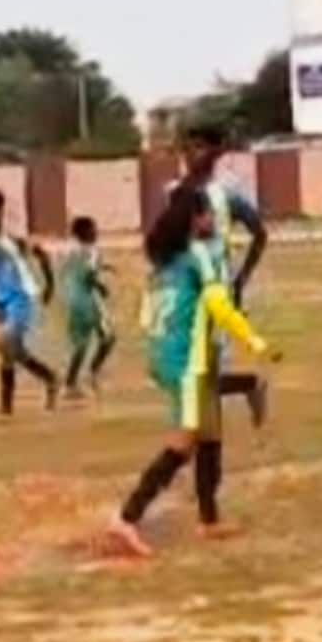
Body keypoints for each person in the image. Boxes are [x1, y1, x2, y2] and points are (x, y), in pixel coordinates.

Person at [108, 186, 281, 558]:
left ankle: (209, 518)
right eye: (207, 214)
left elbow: (147, 316)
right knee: (184, 442)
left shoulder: (161, 265)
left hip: (168, 355)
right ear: (196, 219)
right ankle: (127, 518)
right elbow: (220, 306)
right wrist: (257, 342)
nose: (212, 220)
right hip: (187, 360)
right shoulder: (197, 256)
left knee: (209, 432)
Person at [177, 124, 271, 428]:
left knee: (205, 369)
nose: (191, 154)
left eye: (199, 147)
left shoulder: (227, 192)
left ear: (216, 152)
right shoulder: (178, 192)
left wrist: (242, 277)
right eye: (187, 147)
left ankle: (209, 429)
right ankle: (249, 385)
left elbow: (259, 232)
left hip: (215, 288)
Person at [0, 189, 59, 417]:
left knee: (5, 344)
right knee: (12, 352)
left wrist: (49, 288)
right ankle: (49, 379)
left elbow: (42, 255)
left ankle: (6, 409)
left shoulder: (13, 241)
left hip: (21, 298)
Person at [59, 216, 116, 399]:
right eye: (94, 229)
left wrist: (104, 267)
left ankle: (70, 383)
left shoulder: (69, 251)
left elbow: (67, 272)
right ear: (87, 232)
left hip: (70, 301)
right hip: (88, 299)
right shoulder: (93, 252)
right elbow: (89, 273)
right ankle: (93, 372)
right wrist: (101, 286)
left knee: (80, 344)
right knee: (108, 337)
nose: (96, 232)